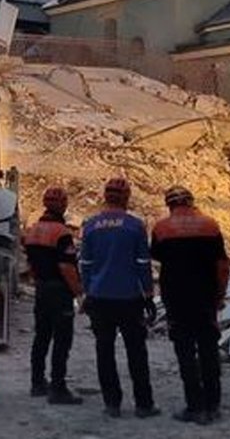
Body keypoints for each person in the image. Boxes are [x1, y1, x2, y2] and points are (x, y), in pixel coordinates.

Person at [79, 177, 159, 419]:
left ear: (106, 197)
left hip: (100, 297)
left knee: (104, 351)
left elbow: (85, 264)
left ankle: (112, 403)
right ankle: (144, 404)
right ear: (126, 198)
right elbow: (143, 264)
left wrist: (87, 293)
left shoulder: (91, 225)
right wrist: (148, 295)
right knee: (136, 351)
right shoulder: (135, 226)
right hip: (129, 298)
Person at [151, 185, 229, 426]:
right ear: (192, 201)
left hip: (177, 298)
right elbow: (222, 265)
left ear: (170, 204)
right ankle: (213, 405)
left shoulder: (162, 228)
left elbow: (157, 258)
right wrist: (220, 295)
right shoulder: (210, 225)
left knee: (185, 351)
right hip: (205, 297)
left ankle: (194, 406)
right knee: (208, 349)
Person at [22, 186, 84, 405]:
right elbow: (67, 267)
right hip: (59, 290)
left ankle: (37, 383)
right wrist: (79, 293)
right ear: (63, 205)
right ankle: (58, 388)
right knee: (62, 339)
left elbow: (29, 264)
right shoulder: (62, 233)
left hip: (41, 288)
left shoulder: (32, 230)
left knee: (41, 336)